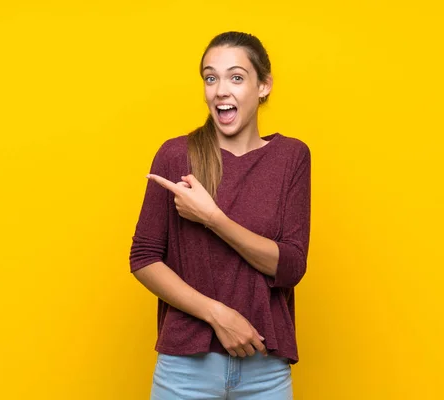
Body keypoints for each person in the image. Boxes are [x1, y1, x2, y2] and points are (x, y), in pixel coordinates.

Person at [129, 31, 311, 399]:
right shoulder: (176, 155)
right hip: (185, 370)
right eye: (211, 78)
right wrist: (218, 315)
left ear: (263, 86)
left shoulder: (291, 158)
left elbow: (291, 266)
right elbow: (144, 258)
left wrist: (213, 218)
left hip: (266, 371)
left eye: (236, 77)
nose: (220, 90)